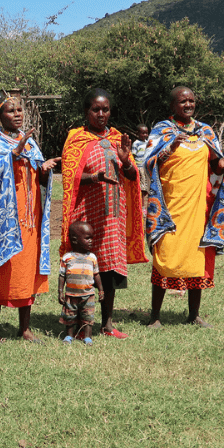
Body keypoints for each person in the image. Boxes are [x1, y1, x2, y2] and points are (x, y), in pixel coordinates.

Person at [60, 88, 148, 339]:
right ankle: (77, 323)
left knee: (110, 269)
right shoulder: (76, 139)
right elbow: (69, 176)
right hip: (86, 214)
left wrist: (127, 160)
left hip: (113, 215)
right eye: (95, 109)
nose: (101, 114)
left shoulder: (119, 138)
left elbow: (131, 176)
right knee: (81, 268)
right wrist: (94, 177)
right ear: (86, 111)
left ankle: (107, 324)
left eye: (105, 109)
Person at [145, 86, 224, 328]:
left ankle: (193, 315)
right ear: (173, 106)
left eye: (192, 101)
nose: (188, 104)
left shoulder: (205, 131)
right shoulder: (162, 130)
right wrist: (170, 147)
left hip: (198, 206)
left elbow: (213, 166)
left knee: (197, 258)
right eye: (183, 101)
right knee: (165, 257)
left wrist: (221, 165)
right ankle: (155, 316)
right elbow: (149, 163)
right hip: (170, 207)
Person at [0, 95, 59, 344]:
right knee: (2, 269)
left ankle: (24, 328)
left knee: (27, 270)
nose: (17, 114)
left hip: (30, 218)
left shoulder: (30, 143)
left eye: (20, 110)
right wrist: (12, 154)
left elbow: (38, 176)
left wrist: (45, 171)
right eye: (11, 110)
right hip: (4, 218)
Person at [58, 221, 105, 346]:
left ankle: (87, 337)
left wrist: (101, 290)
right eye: (87, 238)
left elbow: (96, 275)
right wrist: (60, 292)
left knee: (88, 316)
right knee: (70, 316)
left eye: (92, 238)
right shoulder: (67, 258)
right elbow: (62, 276)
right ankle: (69, 336)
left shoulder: (92, 258)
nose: (91, 241)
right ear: (75, 239)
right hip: (71, 295)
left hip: (88, 294)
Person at [132, 124, 150, 214]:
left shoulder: (148, 143)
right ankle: (141, 206)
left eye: (146, 133)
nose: (145, 135)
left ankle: (144, 206)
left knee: (145, 188)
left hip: (146, 168)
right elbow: (133, 156)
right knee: (141, 188)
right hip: (139, 168)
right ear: (137, 134)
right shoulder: (136, 143)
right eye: (142, 133)